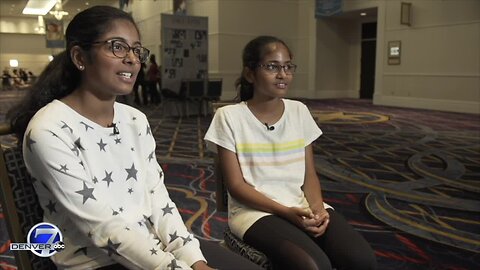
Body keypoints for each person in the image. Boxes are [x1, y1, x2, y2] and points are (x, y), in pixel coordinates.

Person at [8, 6, 261, 270]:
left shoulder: (134, 119)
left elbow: (158, 198)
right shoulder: (49, 129)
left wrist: (193, 259)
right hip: (96, 261)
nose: (132, 59)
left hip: (154, 246)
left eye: (136, 50)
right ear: (80, 57)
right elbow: (104, 228)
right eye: (117, 47)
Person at [204, 35, 377, 270]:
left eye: (287, 66)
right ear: (249, 74)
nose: (283, 74)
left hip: (301, 204)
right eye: (272, 67)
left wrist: (317, 210)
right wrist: (286, 212)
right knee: (314, 266)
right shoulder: (229, 116)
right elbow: (236, 187)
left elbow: (309, 175)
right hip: (253, 213)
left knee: (361, 259)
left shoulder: (299, 111)